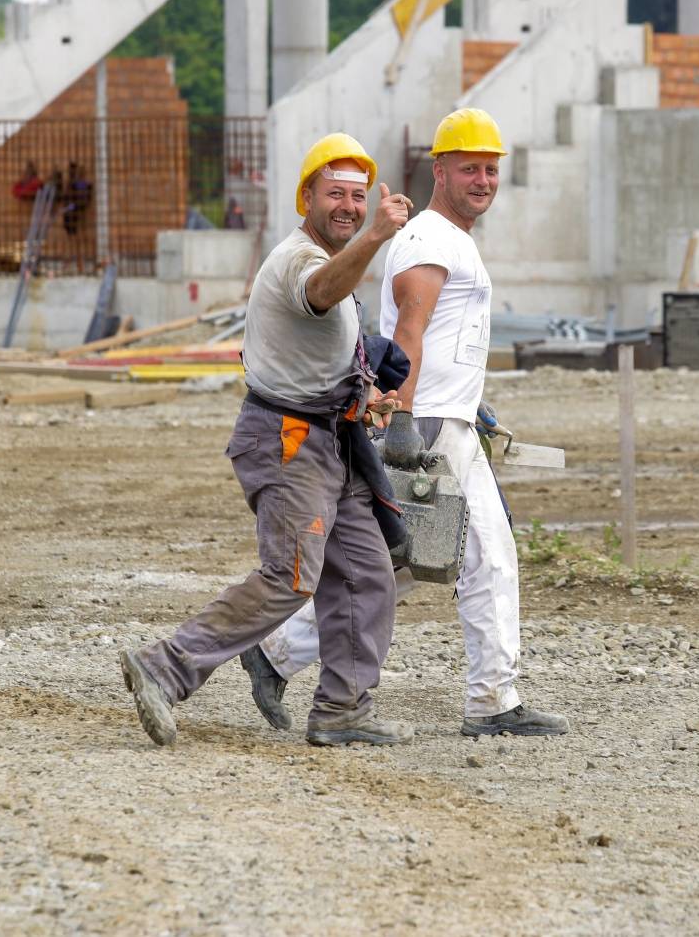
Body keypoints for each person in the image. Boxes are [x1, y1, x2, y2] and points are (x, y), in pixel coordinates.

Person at [242, 109, 570, 739]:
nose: (482, 180)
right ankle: (492, 702)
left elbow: (446, 341)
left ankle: (276, 654)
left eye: (490, 169)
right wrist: (404, 421)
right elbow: (408, 337)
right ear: (438, 170)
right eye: (469, 168)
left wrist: (470, 406)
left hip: (450, 422)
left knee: (409, 564)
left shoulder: (452, 239)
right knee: (463, 560)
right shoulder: (427, 241)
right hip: (427, 430)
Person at [119, 132, 417, 748]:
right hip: (286, 441)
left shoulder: (335, 257)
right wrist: (376, 237)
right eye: (335, 194)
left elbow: (330, 329)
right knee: (290, 577)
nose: (349, 206)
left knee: (366, 571)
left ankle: (343, 709)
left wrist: (369, 386)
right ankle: (165, 665)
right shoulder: (297, 261)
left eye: (358, 196)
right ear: (305, 198)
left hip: (333, 438)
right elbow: (321, 292)